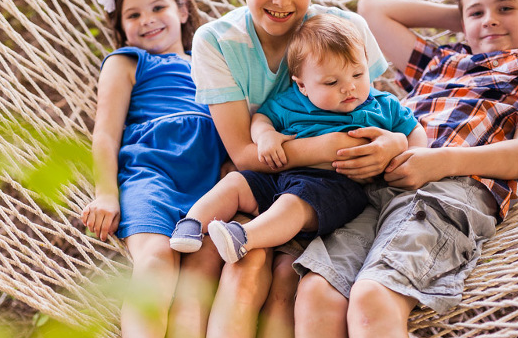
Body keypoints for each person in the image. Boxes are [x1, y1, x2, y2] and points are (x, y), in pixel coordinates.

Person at [163, 0, 411, 338]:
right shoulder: (218, 40)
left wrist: (391, 145)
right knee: (234, 261)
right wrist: (338, 146)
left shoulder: (341, 29)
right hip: (256, 180)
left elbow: (380, 108)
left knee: (281, 277)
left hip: (327, 194)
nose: (282, 1)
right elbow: (246, 152)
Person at [292, 0, 518, 338]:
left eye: (506, 9)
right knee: (317, 296)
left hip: (450, 189)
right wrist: (466, 17)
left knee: (372, 301)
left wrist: (435, 161)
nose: (490, 20)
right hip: (379, 190)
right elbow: (371, 11)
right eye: (477, 12)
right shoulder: (441, 58)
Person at [80, 0, 227, 338]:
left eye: (158, 7)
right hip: (151, 172)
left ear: (183, 11)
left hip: (208, 184)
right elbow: (105, 130)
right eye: (133, 14)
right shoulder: (127, 62)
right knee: (157, 259)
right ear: (120, 28)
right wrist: (106, 192)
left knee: (199, 276)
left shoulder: (214, 63)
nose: (147, 20)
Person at [169, 14, 425, 264]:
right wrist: (266, 136)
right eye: (332, 82)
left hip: (335, 187)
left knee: (294, 203)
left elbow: (414, 130)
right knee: (236, 181)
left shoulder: (382, 105)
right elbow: (262, 118)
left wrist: (411, 158)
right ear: (302, 85)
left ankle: (244, 238)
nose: (349, 87)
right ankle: (192, 224)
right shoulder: (292, 102)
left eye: (358, 75)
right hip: (280, 174)